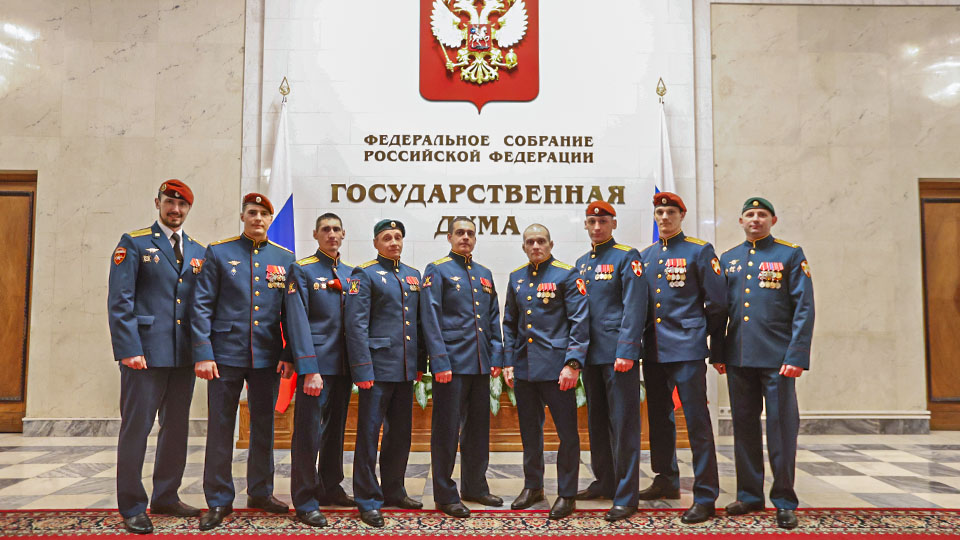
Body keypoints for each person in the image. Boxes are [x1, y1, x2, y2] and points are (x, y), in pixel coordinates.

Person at [190, 193, 296, 531]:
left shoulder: (285, 258)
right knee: (221, 427)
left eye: (264, 214)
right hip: (225, 355)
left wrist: (289, 353)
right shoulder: (219, 252)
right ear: (243, 216)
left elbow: (291, 312)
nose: (258, 219)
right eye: (252, 212)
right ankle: (219, 499)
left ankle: (261, 492)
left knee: (264, 426)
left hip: (267, 356)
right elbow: (201, 305)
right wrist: (204, 352)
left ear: (270, 219)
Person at [108, 180, 205, 534]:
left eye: (182, 205)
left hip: (183, 356)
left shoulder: (198, 251)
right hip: (145, 354)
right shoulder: (133, 243)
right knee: (137, 428)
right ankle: (132, 505)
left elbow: (200, 306)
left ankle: (166, 495)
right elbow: (120, 301)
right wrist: (129, 349)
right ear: (158, 203)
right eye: (169, 202)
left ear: (188, 209)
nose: (175, 210)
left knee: (176, 428)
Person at [717, 197, 814, 530]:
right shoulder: (728, 259)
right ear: (740, 221)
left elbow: (804, 307)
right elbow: (721, 311)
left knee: (781, 430)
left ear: (773, 220)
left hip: (777, 359)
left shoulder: (790, 254)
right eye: (749, 214)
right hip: (739, 358)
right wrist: (719, 353)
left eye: (762, 214)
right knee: (743, 428)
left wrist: (797, 354)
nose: (755, 219)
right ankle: (749, 495)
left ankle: (784, 500)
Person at [638, 192, 725, 524]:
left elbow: (718, 303)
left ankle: (705, 495)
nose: (664, 217)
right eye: (659, 212)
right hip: (654, 349)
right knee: (659, 419)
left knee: (696, 422)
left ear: (681, 215)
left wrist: (699, 332)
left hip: (687, 349)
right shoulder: (646, 256)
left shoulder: (699, 251)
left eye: (670, 212)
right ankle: (666, 478)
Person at [501, 223, 589, 520]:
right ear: (523, 247)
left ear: (551, 244)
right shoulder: (516, 277)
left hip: (557, 369)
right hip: (525, 368)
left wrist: (573, 363)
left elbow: (579, 322)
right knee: (529, 431)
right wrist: (509, 362)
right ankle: (533, 486)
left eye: (541, 241)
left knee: (567, 434)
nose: (536, 246)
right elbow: (510, 324)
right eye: (530, 242)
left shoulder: (567, 274)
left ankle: (567, 493)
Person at [420, 217, 505, 518]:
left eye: (470, 233)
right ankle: (445, 494)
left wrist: (496, 357)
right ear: (449, 237)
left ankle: (475, 487)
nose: (465, 237)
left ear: (475, 238)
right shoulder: (438, 269)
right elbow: (430, 318)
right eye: (460, 233)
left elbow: (492, 318)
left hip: (480, 363)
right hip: (452, 365)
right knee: (446, 431)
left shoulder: (484, 274)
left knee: (478, 430)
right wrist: (439, 360)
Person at [345, 219, 426, 528]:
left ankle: (394, 490)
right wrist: (362, 368)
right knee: (368, 436)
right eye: (387, 238)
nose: (393, 242)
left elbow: (417, 323)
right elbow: (355, 325)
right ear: (376, 243)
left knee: (400, 435)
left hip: (404, 369)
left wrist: (419, 364)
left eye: (397, 237)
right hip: (376, 370)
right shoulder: (364, 274)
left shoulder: (412, 275)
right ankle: (367, 499)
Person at [573, 201, 647, 522]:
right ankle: (605, 481)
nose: (597, 226)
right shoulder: (582, 263)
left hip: (618, 355)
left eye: (603, 221)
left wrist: (627, 350)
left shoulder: (626, 257)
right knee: (597, 422)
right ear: (585, 225)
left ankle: (627, 495)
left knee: (624, 424)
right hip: (591, 355)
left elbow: (635, 305)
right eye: (592, 221)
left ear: (613, 224)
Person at [284, 213, 356, 528]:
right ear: (315, 234)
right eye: (325, 229)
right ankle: (305, 498)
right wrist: (309, 368)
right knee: (308, 433)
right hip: (316, 366)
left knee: (335, 431)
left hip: (343, 365)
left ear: (344, 234)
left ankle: (330, 486)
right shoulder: (302, 270)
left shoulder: (352, 273)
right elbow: (296, 320)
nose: (331, 234)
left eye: (336, 229)